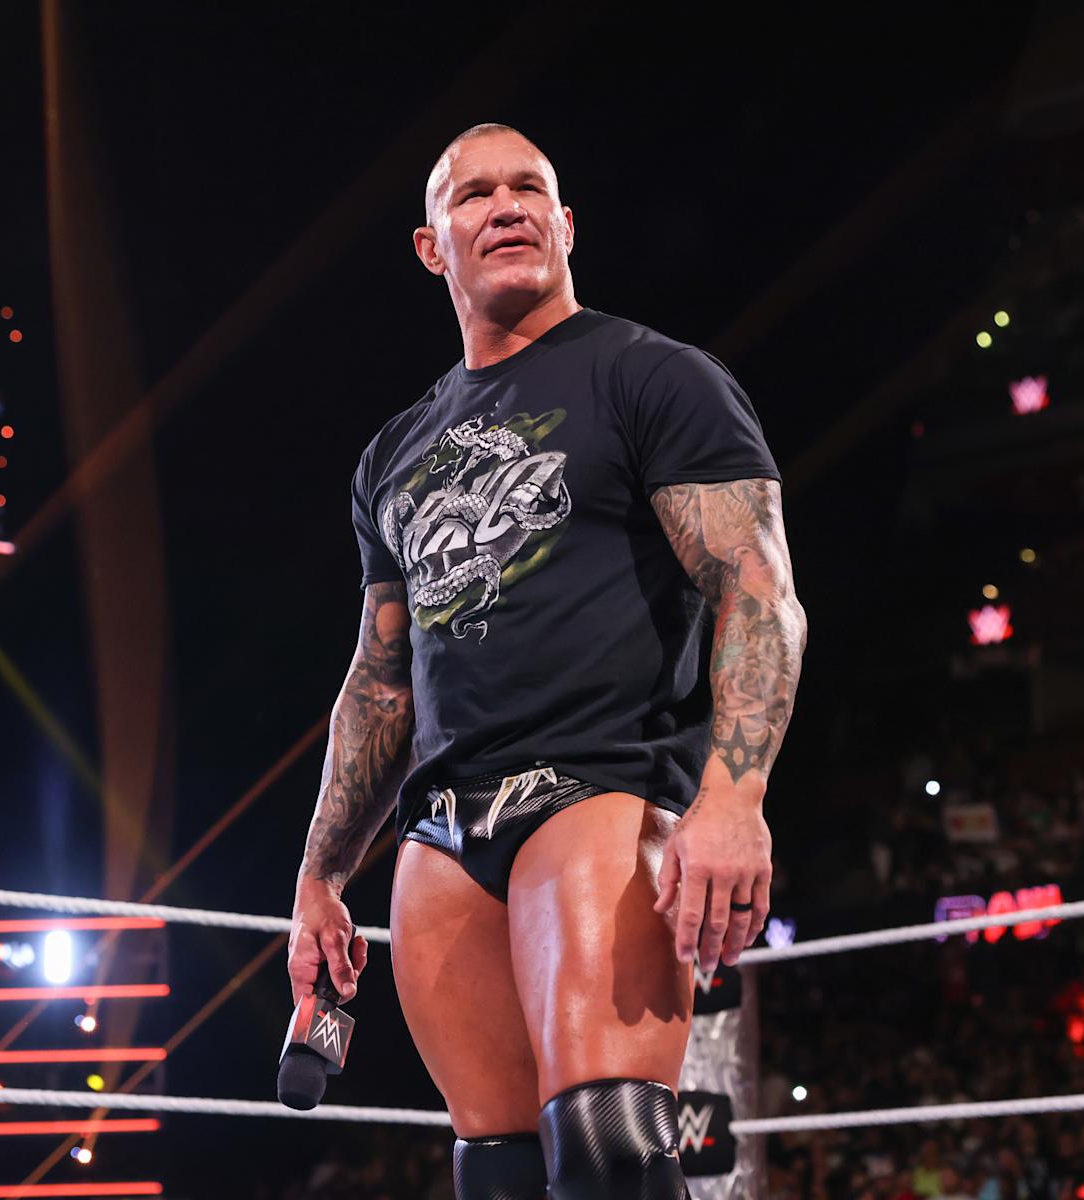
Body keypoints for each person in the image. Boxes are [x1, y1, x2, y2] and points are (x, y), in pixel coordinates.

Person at [287, 122, 807, 1199]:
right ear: (432, 245)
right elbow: (380, 677)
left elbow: (756, 591)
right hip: (441, 833)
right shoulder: (394, 454)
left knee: (611, 1149)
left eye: (528, 188)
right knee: (499, 1174)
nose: (506, 206)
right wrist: (321, 876)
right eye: (474, 195)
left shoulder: (653, 376)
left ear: (566, 226)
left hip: (597, 791)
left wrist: (733, 798)